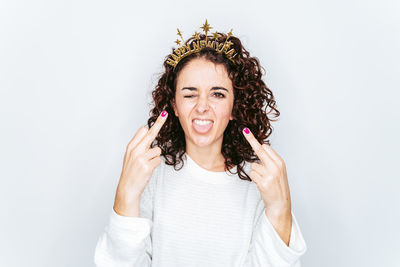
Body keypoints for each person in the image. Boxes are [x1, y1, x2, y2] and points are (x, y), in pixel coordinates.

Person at [94, 19, 307, 267]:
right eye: (189, 94)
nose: (202, 106)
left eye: (217, 94)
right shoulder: (151, 176)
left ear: (234, 108)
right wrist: (126, 194)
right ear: (174, 105)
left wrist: (280, 207)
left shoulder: (261, 182)